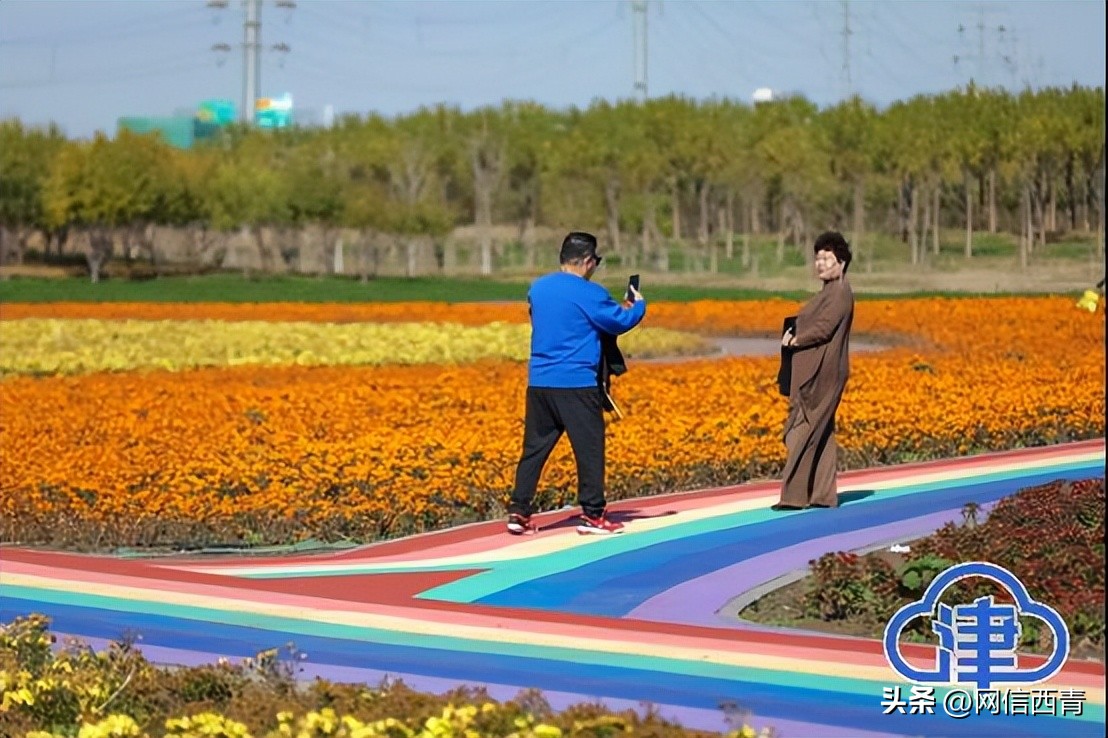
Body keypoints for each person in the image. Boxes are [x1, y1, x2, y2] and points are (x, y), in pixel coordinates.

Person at [507, 231, 646, 535]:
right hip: (576, 383)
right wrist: (638, 304)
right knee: (589, 449)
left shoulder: (538, 288)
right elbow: (618, 321)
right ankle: (594, 515)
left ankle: (518, 511)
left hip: (540, 382)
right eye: (595, 261)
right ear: (586, 261)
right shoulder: (589, 292)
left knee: (534, 449)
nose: (595, 266)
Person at [774, 231, 855, 510]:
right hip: (818, 372)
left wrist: (796, 340)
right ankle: (822, 495)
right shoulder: (828, 292)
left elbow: (824, 328)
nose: (820, 264)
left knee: (802, 431)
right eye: (817, 258)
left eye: (827, 258)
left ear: (841, 262)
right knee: (821, 432)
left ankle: (794, 497)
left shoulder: (841, 293)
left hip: (825, 374)